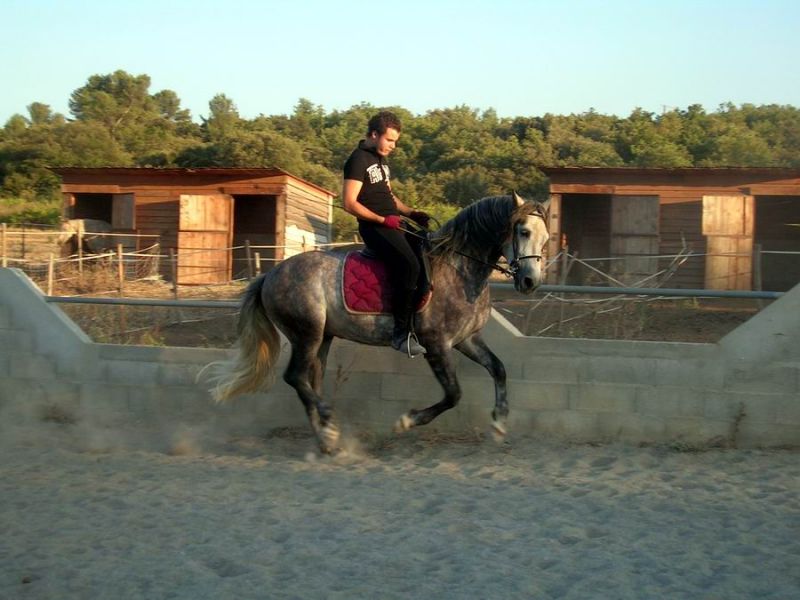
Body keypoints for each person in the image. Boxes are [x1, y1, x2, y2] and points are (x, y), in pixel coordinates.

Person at [342, 111, 430, 356]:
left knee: (428, 248)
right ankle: (400, 334)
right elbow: (349, 203)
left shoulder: (381, 160)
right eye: (390, 140)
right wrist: (383, 220)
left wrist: (411, 213)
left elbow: (389, 196)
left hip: (393, 223)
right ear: (374, 134)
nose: (393, 146)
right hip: (375, 228)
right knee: (410, 266)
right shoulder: (357, 159)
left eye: (395, 141)